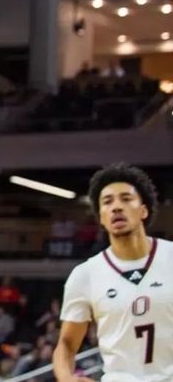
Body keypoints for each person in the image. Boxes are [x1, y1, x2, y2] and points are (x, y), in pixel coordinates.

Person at [55, 163, 171, 381]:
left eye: (126, 199)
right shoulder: (85, 275)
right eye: (107, 202)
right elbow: (67, 345)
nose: (117, 207)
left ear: (143, 210)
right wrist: (66, 378)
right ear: (101, 217)